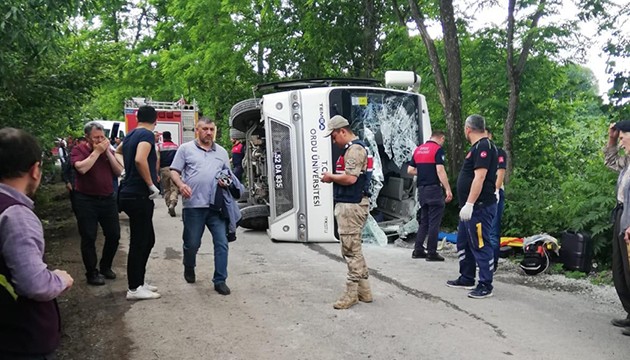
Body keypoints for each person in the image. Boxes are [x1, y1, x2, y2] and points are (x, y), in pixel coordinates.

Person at [0, 127, 74, 358]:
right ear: (35, 170)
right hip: (20, 338)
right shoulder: (16, 215)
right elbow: (34, 284)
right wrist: (60, 279)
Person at [170, 117, 235, 295]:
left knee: (222, 243)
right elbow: (174, 171)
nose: (208, 132)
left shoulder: (221, 152)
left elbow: (228, 175)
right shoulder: (185, 149)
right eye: (205, 129)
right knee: (192, 244)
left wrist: (226, 181)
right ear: (197, 130)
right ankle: (189, 266)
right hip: (193, 206)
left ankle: (220, 280)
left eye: (211, 129)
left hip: (216, 206)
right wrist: (181, 185)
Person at [321, 115, 373, 309]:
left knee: (351, 250)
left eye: (334, 137)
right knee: (354, 249)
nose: (334, 141)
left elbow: (351, 179)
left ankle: (351, 293)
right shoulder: (352, 149)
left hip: (352, 205)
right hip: (350, 203)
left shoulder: (354, 150)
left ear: (342, 131)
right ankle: (364, 291)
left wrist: (330, 177)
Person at [446, 114, 498, 299]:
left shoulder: (484, 146)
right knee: (464, 242)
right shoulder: (476, 147)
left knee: (480, 243)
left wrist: (470, 203)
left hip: (479, 206)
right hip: (469, 208)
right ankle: (466, 276)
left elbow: (480, 177)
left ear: (468, 129)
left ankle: (485, 284)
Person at [116, 106, 162, 301]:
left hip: (129, 192)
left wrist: (124, 170)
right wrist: (151, 184)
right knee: (139, 241)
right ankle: (134, 288)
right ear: (156, 119)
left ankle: (140, 282)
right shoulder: (146, 135)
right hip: (138, 195)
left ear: (137, 118)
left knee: (148, 239)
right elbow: (140, 159)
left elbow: (117, 152)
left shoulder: (131, 134)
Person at [71, 122, 123, 286]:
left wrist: (106, 152)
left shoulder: (107, 151)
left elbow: (118, 171)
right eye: (96, 138)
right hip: (85, 199)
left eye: (102, 137)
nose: (100, 140)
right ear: (87, 137)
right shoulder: (78, 150)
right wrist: (97, 152)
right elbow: (82, 169)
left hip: (107, 199)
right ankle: (91, 272)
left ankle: (105, 266)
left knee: (114, 235)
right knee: (89, 236)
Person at [407, 130, 453, 262]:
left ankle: (418, 249)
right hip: (434, 189)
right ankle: (432, 252)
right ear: (441, 138)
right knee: (434, 222)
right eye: (443, 140)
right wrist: (448, 189)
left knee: (424, 220)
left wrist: (422, 172)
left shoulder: (419, 149)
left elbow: (410, 170)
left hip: (422, 189)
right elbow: (440, 170)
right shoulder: (437, 150)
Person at [604, 120, 630, 336]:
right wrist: (611, 139)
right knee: (620, 267)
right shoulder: (628, 160)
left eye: (622, 137)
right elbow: (610, 161)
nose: (620, 142)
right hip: (622, 214)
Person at [486, 127, 507, 270]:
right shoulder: (478, 152)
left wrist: (496, 190)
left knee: (493, 231)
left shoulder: (498, 152)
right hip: (481, 194)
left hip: (494, 193)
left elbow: (501, 172)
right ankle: (484, 262)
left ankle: (493, 264)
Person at [158, 131, 179, 217]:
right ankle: (173, 202)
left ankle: (168, 204)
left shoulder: (160, 147)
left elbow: (158, 160)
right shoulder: (176, 147)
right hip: (174, 169)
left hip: (164, 169)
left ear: (163, 137)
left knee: (166, 189)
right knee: (174, 188)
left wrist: (157, 172)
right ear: (170, 137)